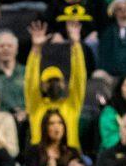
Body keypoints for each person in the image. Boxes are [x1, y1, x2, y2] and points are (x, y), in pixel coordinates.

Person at [25, 20, 86, 150]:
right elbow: (30, 80)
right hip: (41, 159)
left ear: (64, 84)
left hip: (69, 159)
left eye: (57, 81)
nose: (54, 84)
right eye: (49, 82)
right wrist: (36, 49)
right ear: (42, 86)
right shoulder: (36, 106)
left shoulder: (71, 105)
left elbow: (79, 78)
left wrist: (76, 45)